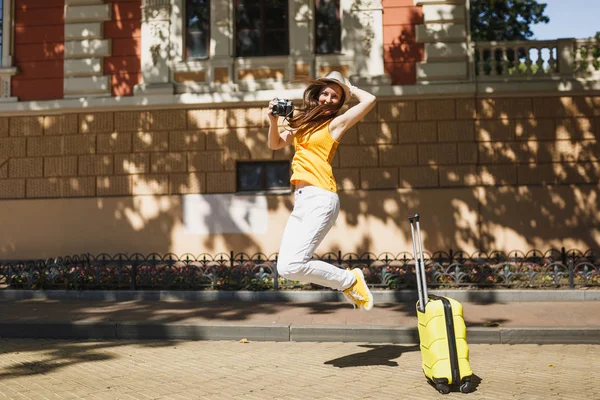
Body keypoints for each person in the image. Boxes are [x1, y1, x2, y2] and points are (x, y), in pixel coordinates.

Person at [266, 71, 376, 310]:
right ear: (316, 96)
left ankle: (349, 280)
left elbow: (370, 100)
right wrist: (273, 120)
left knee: (295, 262)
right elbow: (274, 144)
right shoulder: (301, 126)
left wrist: (349, 87)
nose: (328, 98)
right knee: (286, 267)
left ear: (339, 103)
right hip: (302, 200)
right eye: (325, 93)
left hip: (321, 196)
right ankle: (348, 281)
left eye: (334, 96)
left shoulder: (336, 124)